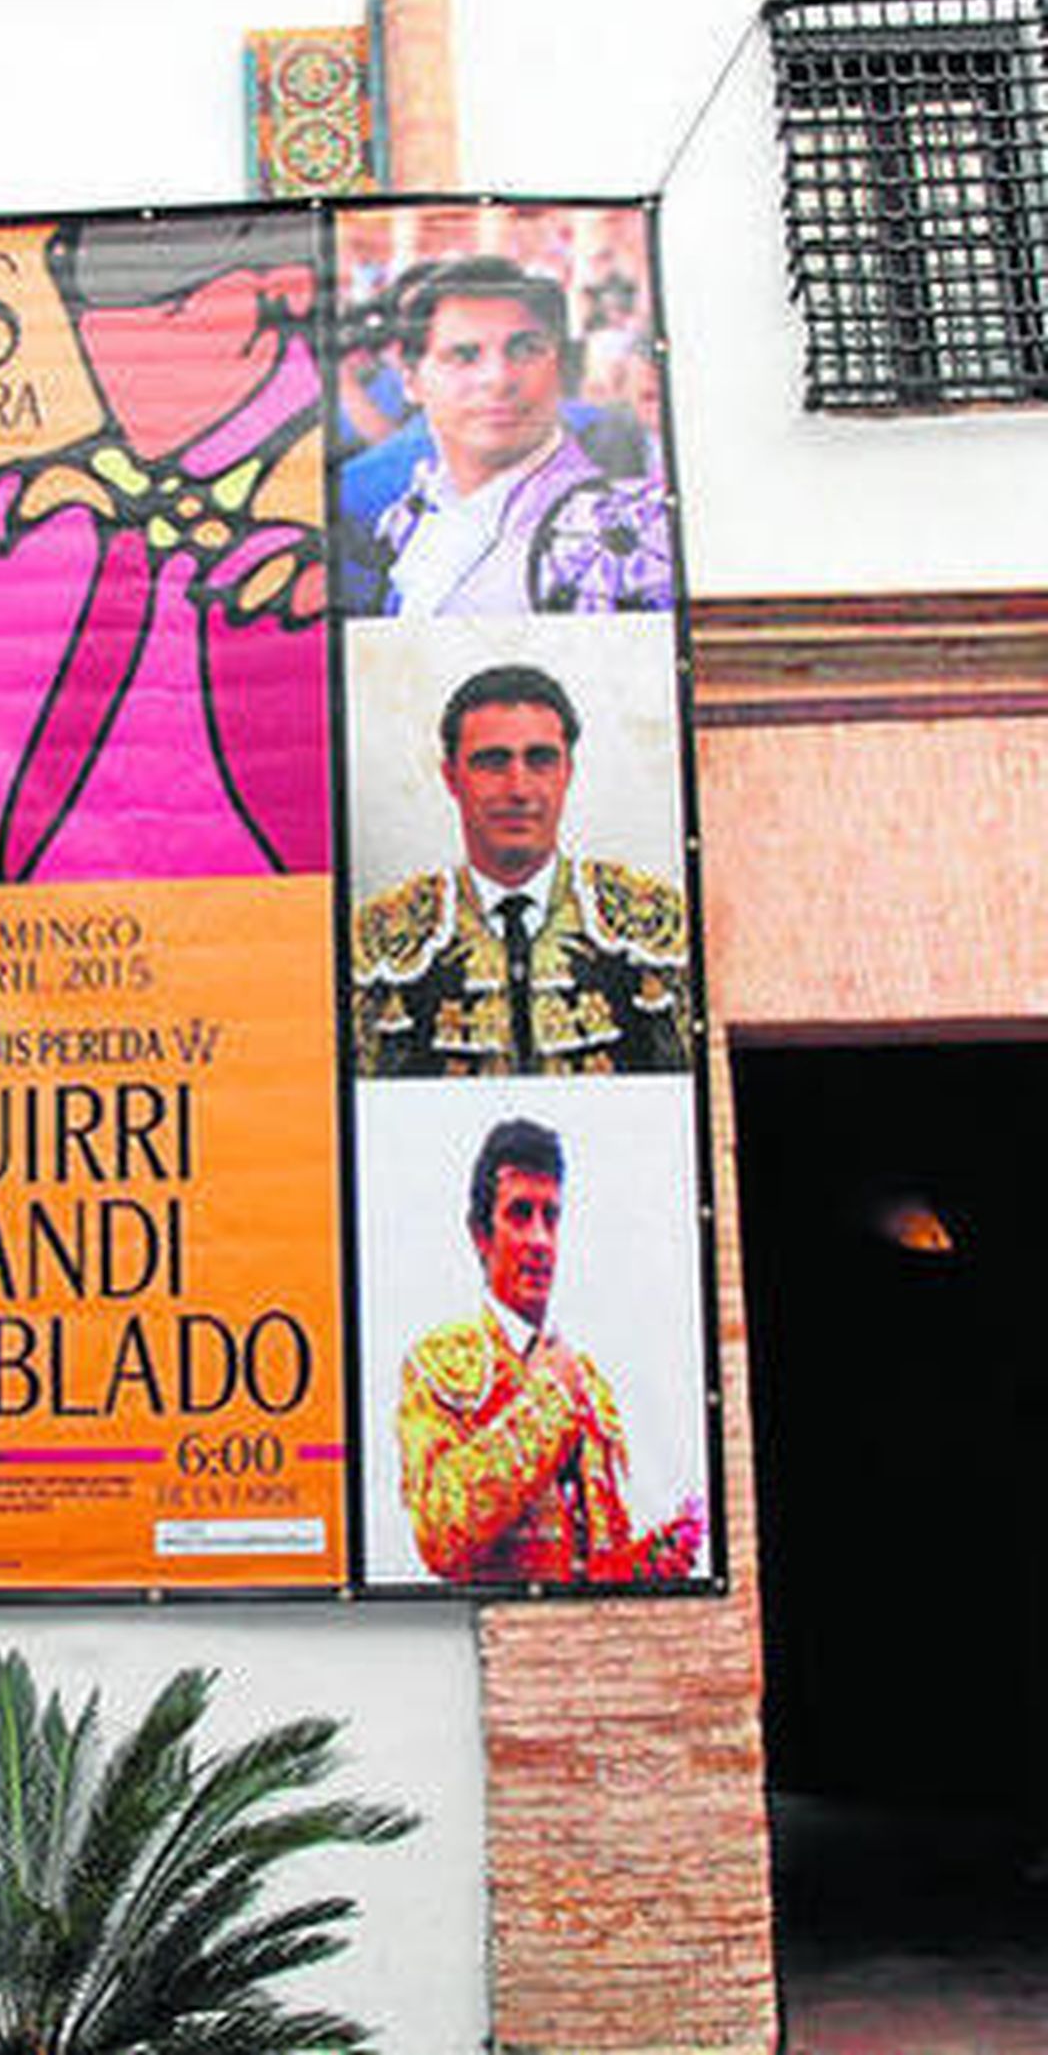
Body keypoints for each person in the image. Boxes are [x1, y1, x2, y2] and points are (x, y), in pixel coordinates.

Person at [395, 1118, 702, 1586]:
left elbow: (594, 1563)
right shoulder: (440, 1362)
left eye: (550, 1217)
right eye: (520, 1215)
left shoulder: (588, 1382)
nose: (540, 1239)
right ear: (480, 1235)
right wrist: (548, 1401)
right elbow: (441, 1534)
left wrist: (646, 1564)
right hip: (490, 1627)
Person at [352, 665, 689, 1076]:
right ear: (451, 778)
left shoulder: (653, 922)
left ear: (568, 772)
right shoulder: (378, 937)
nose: (518, 789)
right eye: (492, 763)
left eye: (540, 761)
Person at [338, 256, 672, 616]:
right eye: (464, 356)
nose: (498, 378)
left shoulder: (632, 531)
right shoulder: (407, 517)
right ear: (411, 381)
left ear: (560, 367)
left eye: (526, 350)